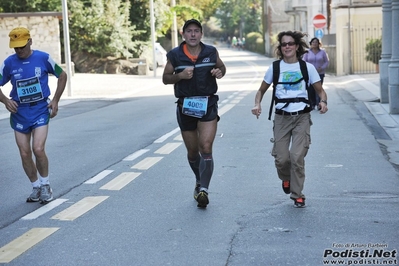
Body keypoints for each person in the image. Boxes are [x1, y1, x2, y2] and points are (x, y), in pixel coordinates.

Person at [251, 31, 328, 208]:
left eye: (290, 43)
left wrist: (323, 102)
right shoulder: (275, 68)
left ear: (297, 47)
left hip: (302, 116)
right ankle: (286, 178)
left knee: (297, 156)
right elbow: (261, 90)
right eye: (284, 44)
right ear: (280, 47)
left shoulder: (307, 68)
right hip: (281, 117)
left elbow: (320, 90)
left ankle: (297, 194)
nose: (287, 47)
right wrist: (257, 104)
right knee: (282, 159)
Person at [162, 19, 226, 208]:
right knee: (192, 152)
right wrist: (179, 76)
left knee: (205, 147)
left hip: (207, 104)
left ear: (201, 34)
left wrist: (219, 72)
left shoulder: (211, 52)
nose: (192, 34)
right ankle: (199, 180)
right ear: (183, 34)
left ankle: (204, 190)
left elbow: (222, 67)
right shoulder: (175, 55)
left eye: (196, 31)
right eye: (189, 31)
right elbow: (165, 78)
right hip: (186, 107)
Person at [0, 27, 67, 204]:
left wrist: (55, 100)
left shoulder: (43, 58)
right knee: (24, 153)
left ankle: (46, 185)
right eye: (16, 47)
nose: (19, 50)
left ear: (30, 41)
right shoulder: (8, 63)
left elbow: (62, 76)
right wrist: (6, 100)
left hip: (39, 110)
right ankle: (36, 186)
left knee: (38, 149)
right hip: (19, 113)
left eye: (22, 46)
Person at [302, 37, 329, 110]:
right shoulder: (307, 52)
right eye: (313, 42)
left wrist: (322, 68)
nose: (314, 43)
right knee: (310, 89)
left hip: (320, 73)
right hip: (309, 74)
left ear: (318, 44)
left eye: (316, 42)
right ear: (311, 43)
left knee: (319, 89)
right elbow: (303, 61)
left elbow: (326, 62)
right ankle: (312, 103)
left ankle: (319, 104)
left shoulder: (322, 52)